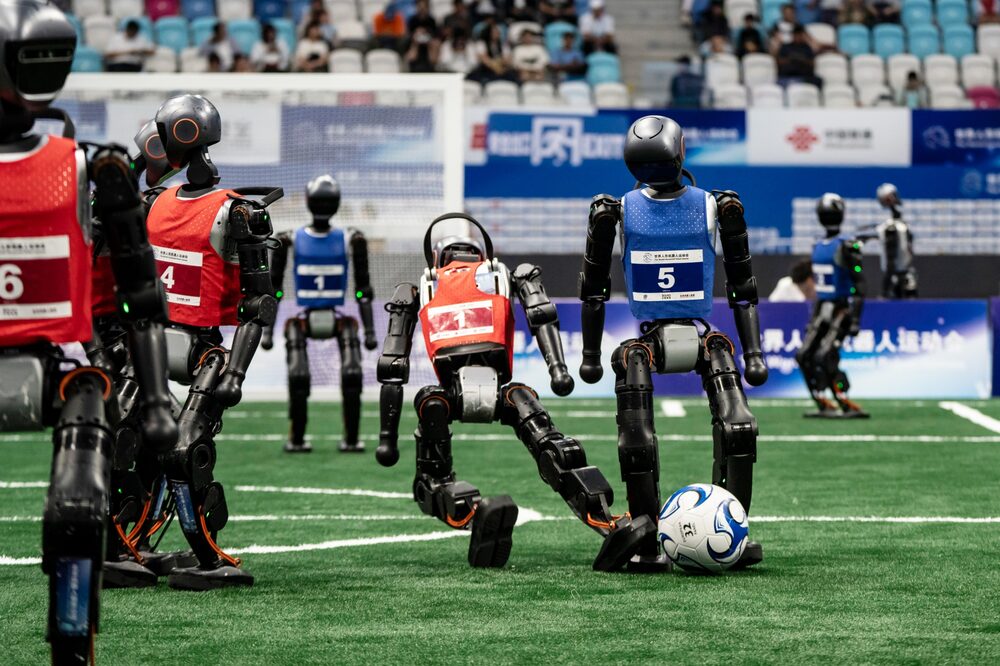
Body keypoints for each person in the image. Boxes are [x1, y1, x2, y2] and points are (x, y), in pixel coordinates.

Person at [375, 213, 651, 571]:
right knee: (554, 449)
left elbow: (392, 364)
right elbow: (541, 315)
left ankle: (475, 516)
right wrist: (558, 371)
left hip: (449, 393)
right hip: (501, 391)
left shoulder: (422, 287)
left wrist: (388, 438)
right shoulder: (504, 276)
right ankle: (602, 521)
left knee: (441, 452)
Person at [577, 115, 767, 571]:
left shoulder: (715, 208)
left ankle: (732, 528)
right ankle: (645, 537)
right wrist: (587, 356)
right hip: (646, 341)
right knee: (636, 438)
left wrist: (753, 351)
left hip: (703, 335)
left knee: (738, 425)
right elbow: (595, 286)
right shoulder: (617, 211)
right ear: (680, 151)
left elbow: (743, 287)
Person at [262, 175, 378, 454]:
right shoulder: (289, 240)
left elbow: (363, 289)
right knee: (298, 375)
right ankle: (297, 437)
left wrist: (370, 330)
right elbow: (274, 288)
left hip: (338, 316)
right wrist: (268, 328)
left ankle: (351, 438)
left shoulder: (351, 239)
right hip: (303, 316)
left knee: (352, 372)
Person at [797, 193, 869, 419]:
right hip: (822, 308)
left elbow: (859, 283)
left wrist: (855, 317)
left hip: (841, 309)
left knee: (825, 355)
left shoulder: (846, 246)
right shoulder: (818, 246)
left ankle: (844, 400)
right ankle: (822, 400)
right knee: (804, 355)